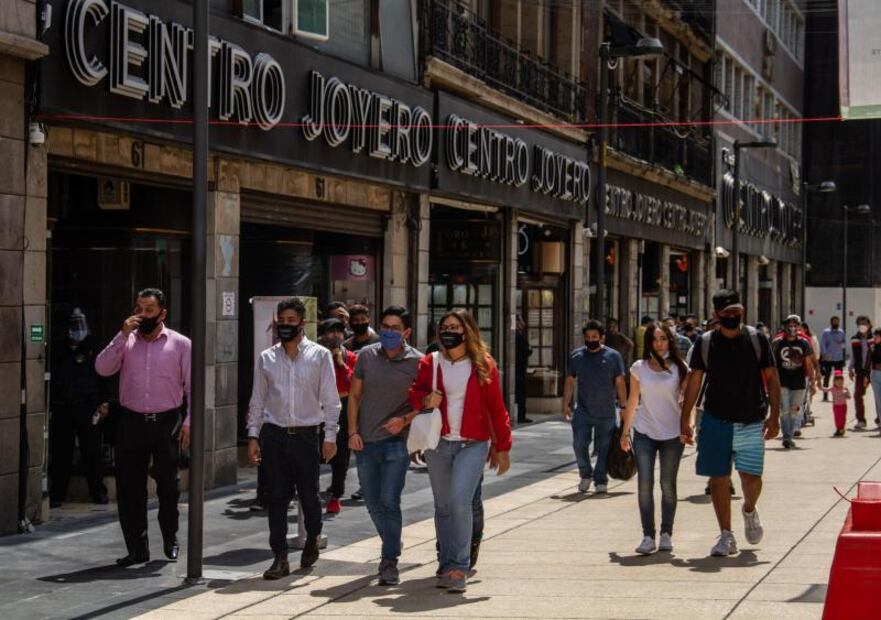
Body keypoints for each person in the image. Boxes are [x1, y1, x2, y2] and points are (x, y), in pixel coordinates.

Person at [409, 309, 513, 593]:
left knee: (458, 502)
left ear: (468, 331)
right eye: (446, 327)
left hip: (473, 444)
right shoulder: (431, 362)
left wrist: (502, 447)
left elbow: (497, 409)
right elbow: (414, 393)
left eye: (456, 326)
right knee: (443, 506)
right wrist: (424, 398)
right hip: (438, 443)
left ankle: (459, 566)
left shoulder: (483, 364)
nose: (450, 331)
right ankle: (445, 563)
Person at [680, 289, 780, 558]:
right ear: (716, 315)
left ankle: (749, 510)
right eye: (728, 313)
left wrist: (774, 416)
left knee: (752, 478)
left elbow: (771, 378)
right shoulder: (705, 342)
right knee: (719, 478)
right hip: (715, 419)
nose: (734, 316)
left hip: (750, 419)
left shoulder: (757, 339)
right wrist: (685, 419)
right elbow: (695, 381)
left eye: (737, 312)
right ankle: (726, 535)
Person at [94, 288, 191, 566]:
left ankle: (170, 539)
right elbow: (102, 368)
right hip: (132, 421)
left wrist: (189, 421)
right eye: (139, 309)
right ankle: (137, 548)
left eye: (149, 310)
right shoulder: (126, 341)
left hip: (166, 422)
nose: (143, 315)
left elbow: (192, 385)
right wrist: (121, 335)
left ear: (162, 313)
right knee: (129, 488)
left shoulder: (181, 343)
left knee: (168, 487)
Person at [246, 297, 341, 579]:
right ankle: (280, 556)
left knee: (309, 495)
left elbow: (331, 400)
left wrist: (331, 437)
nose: (285, 326)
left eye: (291, 321)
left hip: (306, 436)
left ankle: (313, 535)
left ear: (302, 323)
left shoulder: (320, 355)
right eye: (282, 321)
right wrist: (253, 435)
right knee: (276, 497)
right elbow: (257, 399)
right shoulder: (267, 357)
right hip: (273, 435)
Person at [348, 305, 422, 586]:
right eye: (385, 327)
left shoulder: (418, 361)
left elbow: (426, 403)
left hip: (397, 442)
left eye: (395, 328)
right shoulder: (367, 356)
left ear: (406, 332)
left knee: (390, 501)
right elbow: (354, 396)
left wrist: (404, 420)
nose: (389, 332)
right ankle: (393, 540)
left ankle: (389, 560)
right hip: (365, 440)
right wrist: (352, 431)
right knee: (371, 502)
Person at [620, 324, 689, 555]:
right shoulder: (639, 368)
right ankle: (648, 536)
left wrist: (689, 428)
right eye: (655, 339)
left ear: (670, 341)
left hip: (672, 434)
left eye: (663, 339)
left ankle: (666, 533)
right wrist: (624, 432)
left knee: (667, 485)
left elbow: (687, 404)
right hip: (644, 433)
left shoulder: (681, 369)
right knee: (645, 485)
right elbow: (632, 401)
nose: (659, 344)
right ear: (649, 342)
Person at [49, 308, 108, 507]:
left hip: (88, 405)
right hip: (63, 405)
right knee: (61, 453)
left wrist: (103, 401)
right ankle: (57, 493)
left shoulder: (93, 348)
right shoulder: (60, 348)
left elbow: (103, 376)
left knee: (92, 452)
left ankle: (98, 492)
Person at [563, 320, 627, 495]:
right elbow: (570, 380)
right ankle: (585, 474)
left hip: (606, 411)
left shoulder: (613, 357)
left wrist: (624, 406)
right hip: (583, 410)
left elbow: (620, 382)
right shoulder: (577, 356)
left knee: (604, 448)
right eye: (588, 337)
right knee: (579, 444)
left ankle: (600, 479)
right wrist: (565, 404)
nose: (591, 340)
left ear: (602, 337)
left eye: (594, 337)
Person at [318, 318, 357, 515]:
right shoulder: (316, 356)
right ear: (323, 335)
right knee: (317, 450)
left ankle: (336, 495)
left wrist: (341, 363)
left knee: (341, 455)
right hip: (320, 408)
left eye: (339, 332)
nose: (335, 336)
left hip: (343, 406)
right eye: (330, 332)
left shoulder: (350, 357)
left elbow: (354, 385)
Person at [771, 315, 817, 449]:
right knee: (784, 409)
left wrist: (813, 381)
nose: (792, 328)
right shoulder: (777, 343)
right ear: (784, 327)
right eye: (789, 325)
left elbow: (808, 363)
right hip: (782, 381)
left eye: (795, 325)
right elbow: (772, 364)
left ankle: (789, 434)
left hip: (799, 382)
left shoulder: (804, 343)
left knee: (795, 410)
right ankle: (786, 436)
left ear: (799, 327)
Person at [849, 316, 873, 430]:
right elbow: (853, 355)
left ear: (869, 324)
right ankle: (861, 420)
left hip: (874, 371)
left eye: (864, 323)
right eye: (860, 324)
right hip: (860, 371)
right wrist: (850, 368)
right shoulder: (855, 339)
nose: (862, 326)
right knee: (858, 395)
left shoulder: (875, 338)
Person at [820, 316, 847, 401]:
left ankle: (837, 395)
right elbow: (823, 344)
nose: (836, 323)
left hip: (838, 358)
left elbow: (844, 344)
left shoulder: (841, 332)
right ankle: (825, 396)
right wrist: (824, 354)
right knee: (827, 376)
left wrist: (841, 345)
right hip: (828, 357)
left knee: (838, 377)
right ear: (831, 322)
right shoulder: (826, 332)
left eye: (837, 321)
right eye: (834, 321)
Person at [820, 370, 851, 437]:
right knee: (837, 418)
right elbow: (826, 389)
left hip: (843, 406)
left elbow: (849, 397)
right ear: (834, 381)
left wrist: (847, 395)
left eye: (841, 381)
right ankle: (838, 428)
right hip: (836, 406)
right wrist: (819, 386)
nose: (840, 382)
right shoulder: (833, 388)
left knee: (843, 418)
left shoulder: (844, 389)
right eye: (838, 381)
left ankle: (841, 428)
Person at [515, 315, 533, 424]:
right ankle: (521, 416)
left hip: (520, 368)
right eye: (520, 322)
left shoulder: (519, 335)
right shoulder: (519, 337)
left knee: (520, 392)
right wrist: (529, 349)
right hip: (519, 368)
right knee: (520, 393)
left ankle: (521, 415)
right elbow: (527, 350)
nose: (522, 324)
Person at [870, 328, 881, 434]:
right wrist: (865, 376)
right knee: (878, 401)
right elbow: (868, 361)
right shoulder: (872, 347)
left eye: (877, 336)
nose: (875, 338)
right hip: (875, 375)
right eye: (874, 336)